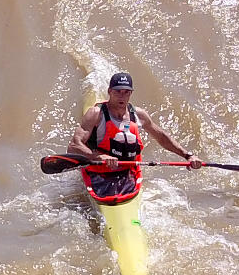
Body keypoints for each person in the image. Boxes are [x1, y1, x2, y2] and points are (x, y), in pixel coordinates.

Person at [66, 72, 198, 204]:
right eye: (118, 91)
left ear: (131, 93)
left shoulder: (139, 115)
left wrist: (187, 156)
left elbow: (162, 137)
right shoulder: (96, 114)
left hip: (127, 171)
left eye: (126, 92)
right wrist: (97, 156)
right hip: (98, 171)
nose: (122, 96)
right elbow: (73, 146)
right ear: (109, 91)